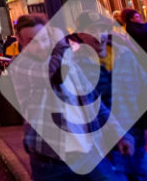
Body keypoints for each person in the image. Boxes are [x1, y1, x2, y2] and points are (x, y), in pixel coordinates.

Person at [14, 13, 120, 181]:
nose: (40, 45)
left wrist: (118, 132)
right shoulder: (22, 66)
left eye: (42, 38)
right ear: (20, 41)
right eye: (31, 41)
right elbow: (53, 73)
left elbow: (91, 99)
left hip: (85, 152)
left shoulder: (67, 61)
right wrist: (62, 44)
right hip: (50, 159)